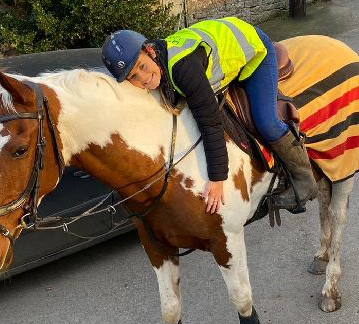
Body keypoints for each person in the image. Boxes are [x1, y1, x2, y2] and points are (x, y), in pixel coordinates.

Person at [101, 17, 317, 214]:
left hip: (254, 51)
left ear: (150, 51)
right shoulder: (159, 62)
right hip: (221, 45)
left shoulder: (182, 68)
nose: (144, 79)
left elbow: (210, 122)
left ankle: (304, 180)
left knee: (266, 122)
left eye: (142, 66)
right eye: (133, 77)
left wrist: (217, 179)